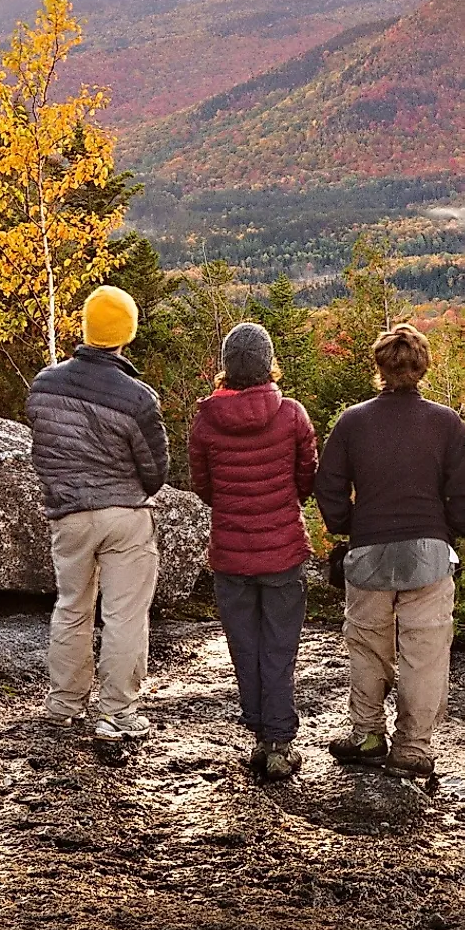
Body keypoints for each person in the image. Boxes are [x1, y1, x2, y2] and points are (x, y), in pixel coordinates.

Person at [314, 323, 465, 780]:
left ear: (380, 367)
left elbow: (327, 483)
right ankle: (413, 746)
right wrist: (451, 532)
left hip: (368, 550)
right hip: (430, 553)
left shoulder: (353, 421)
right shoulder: (446, 422)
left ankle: (368, 733)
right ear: (423, 368)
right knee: (424, 652)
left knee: (367, 644)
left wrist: (348, 525)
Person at [28, 285, 170, 742]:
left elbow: (44, 454)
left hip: (67, 514)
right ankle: (117, 713)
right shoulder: (138, 398)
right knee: (125, 615)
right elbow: (155, 473)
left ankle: (63, 704)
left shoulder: (44, 386)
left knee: (71, 607)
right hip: (124, 515)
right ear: (126, 332)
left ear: (86, 327)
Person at [190, 320, 318, 781]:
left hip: (230, 552)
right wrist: (281, 506)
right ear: (268, 365)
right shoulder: (291, 415)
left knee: (244, 647)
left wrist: (235, 510)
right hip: (283, 550)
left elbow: (205, 486)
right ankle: (279, 742)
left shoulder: (206, 420)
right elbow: (308, 478)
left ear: (227, 367)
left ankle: (261, 736)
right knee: (279, 648)